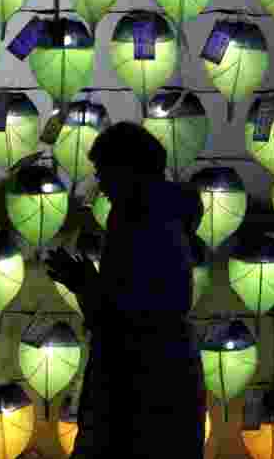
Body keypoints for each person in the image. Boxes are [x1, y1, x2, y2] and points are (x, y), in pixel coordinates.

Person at [46, 122, 207, 459]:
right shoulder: (165, 215)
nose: (101, 186)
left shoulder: (139, 220)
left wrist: (81, 281)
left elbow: (125, 313)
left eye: (104, 172)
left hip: (137, 386)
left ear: (129, 169)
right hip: (166, 376)